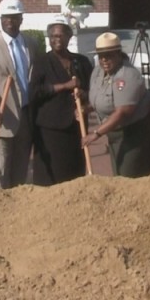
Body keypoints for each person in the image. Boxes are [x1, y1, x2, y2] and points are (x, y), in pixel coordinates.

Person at [0, 0, 43, 189]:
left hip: (26, 115)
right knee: (1, 170)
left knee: (21, 170)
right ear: (0, 19)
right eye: (6, 17)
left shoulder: (31, 43)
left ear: (21, 19)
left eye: (14, 17)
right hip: (2, 116)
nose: (10, 22)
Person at [82, 32, 150, 177]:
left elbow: (123, 111)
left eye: (109, 55)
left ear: (118, 54)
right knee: (118, 173)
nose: (104, 59)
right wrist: (87, 108)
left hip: (133, 134)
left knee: (129, 175)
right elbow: (104, 99)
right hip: (113, 132)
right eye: (101, 55)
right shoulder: (97, 71)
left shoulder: (127, 75)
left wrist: (96, 134)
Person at [30, 15, 93, 185]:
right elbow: (35, 91)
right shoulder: (41, 61)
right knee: (52, 175)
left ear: (69, 37)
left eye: (61, 35)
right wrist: (65, 86)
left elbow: (91, 90)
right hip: (50, 128)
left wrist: (82, 94)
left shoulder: (81, 62)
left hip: (76, 126)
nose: (57, 39)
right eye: (53, 36)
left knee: (74, 173)